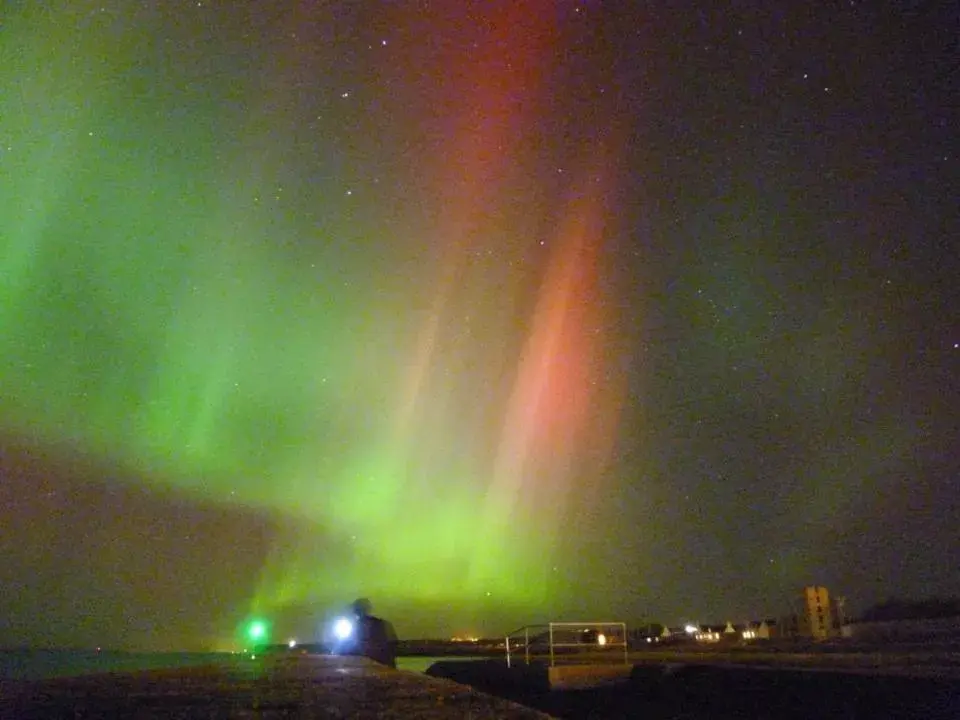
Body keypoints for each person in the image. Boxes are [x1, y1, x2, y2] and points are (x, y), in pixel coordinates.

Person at [349, 598, 398, 668]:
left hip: (371, 664)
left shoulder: (355, 626)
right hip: (383, 664)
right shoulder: (383, 624)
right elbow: (393, 644)